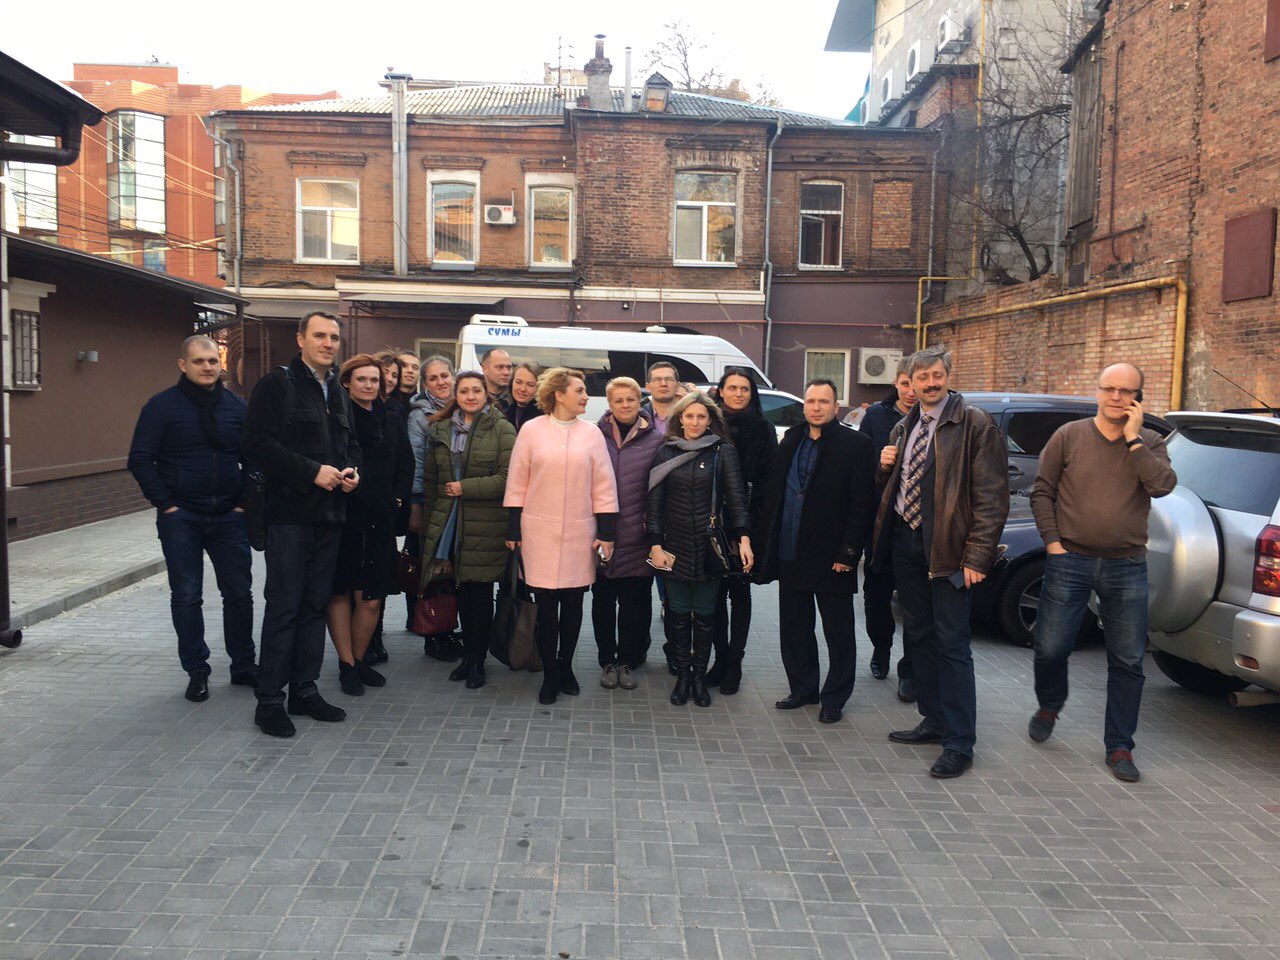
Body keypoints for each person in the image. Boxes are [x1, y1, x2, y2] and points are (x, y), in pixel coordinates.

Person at [1028, 363, 1176, 782]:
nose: (1116, 397)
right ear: (1097, 392)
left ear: (1138, 398)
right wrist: (1053, 544)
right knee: (1050, 647)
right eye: (1109, 388)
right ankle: (1050, 703)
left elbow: (1162, 486)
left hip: (1126, 565)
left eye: (1126, 391)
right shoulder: (1068, 436)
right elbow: (1042, 492)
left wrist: (1133, 439)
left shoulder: (1150, 442)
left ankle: (1119, 746)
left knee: (1128, 660)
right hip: (1070, 560)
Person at [870, 346, 1008, 778]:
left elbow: (992, 496)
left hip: (949, 549)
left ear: (948, 376)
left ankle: (959, 742)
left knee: (952, 645)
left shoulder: (975, 423)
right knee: (920, 635)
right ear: (909, 383)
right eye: (922, 377)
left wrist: (978, 555)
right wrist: (883, 467)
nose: (930, 383)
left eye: (937, 375)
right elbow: (895, 486)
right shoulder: (905, 424)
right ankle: (933, 719)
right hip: (906, 542)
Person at [242, 311, 362, 738]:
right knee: (285, 608)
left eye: (334, 337)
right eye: (320, 336)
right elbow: (256, 445)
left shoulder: (338, 393)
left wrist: (353, 472)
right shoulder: (278, 384)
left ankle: (304, 691)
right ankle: (270, 701)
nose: (328, 343)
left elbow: (351, 446)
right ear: (300, 339)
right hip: (289, 517)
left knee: (314, 607)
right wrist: (312, 472)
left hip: (330, 517)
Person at [127, 334, 255, 703]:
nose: (207, 367)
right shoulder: (161, 407)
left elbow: (255, 458)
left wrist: (244, 502)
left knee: (239, 593)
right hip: (181, 517)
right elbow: (140, 459)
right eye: (199, 361)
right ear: (183, 365)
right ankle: (197, 670)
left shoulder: (237, 407)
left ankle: (244, 665)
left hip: (229, 516)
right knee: (186, 595)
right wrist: (166, 503)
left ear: (220, 364)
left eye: (212, 360)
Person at [752, 379, 877, 724]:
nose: (816, 407)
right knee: (795, 627)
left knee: (838, 631)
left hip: (832, 557)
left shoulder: (857, 445)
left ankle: (834, 697)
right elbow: (775, 493)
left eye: (824, 401)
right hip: (790, 550)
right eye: (811, 401)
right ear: (804, 405)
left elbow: (862, 505)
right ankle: (803, 688)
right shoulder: (791, 439)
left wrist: (849, 553)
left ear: (836, 406)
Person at [504, 367, 619, 705]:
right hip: (538, 531)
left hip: (579, 533)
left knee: (573, 604)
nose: (585, 396)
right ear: (558, 394)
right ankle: (550, 672)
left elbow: (603, 485)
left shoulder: (592, 433)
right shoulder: (531, 430)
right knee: (545, 606)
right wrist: (513, 527)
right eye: (579, 390)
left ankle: (566, 666)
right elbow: (518, 480)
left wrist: (607, 531)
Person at [646, 392, 753, 708]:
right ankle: (682, 677)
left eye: (701, 417)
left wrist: (745, 539)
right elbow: (655, 503)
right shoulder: (665, 452)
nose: (695, 422)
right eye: (689, 416)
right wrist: (655, 544)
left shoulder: (723, 451)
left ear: (710, 420)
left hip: (710, 547)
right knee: (678, 615)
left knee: (705, 616)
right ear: (680, 419)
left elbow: (736, 499)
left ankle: (698, 678)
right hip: (674, 545)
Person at [418, 371, 517, 690]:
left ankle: (477, 661)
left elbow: (509, 479)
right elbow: (432, 482)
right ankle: (468, 657)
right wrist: (431, 526)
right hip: (448, 523)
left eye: (477, 390)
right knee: (460, 592)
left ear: (486, 394)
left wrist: (466, 487)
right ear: (456, 395)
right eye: (464, 391)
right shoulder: (441, 428)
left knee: (480, 595)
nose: (471, 396)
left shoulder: (501, 428)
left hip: (485, 524)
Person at [326, 355, 413, 696]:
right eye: (361, 379)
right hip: (344, 515)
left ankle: (359, 659)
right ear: (347, 382)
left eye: (374, 379)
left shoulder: (391, 416)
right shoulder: (337, 418)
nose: (369, 385)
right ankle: (347, 664)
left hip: (380, 517)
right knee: (341, 591)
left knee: (372, 596)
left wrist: (397, 499)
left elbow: (406, 461)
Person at [707, 367, 777, 695]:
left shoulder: (762, 427)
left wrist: (753, 524)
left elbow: (769, 479)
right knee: (714, 594)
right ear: (721, 390)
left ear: (752, 393)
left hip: (747, 522)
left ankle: (734, 662)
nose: (738, 394)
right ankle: (719, 658)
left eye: (744, 389)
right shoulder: (708, 421)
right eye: (732, 387)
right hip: (709, 519)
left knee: (739, 592)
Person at [593, 377, 664, 691]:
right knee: (603, 602)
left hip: (638, 535)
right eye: (618, 400)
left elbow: (659, 489)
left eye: (630, 400)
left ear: (639, 401)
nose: (625, 405)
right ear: (609, 404)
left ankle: (627, 661)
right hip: (602, 534)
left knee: (635, 604)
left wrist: (651, 529)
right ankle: (607, 661)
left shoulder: (655, 439)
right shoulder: (596, 436)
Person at [859, 360, 918, 700]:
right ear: (896, 383)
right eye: (905, 383)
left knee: (914, 604)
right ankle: (881, 648)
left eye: (916, 383)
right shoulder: (876, 417)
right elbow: (862, 467)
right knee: (876, 596)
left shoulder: (933, 418)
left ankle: (910, 670)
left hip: (917, 527)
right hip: (881, 524)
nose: (911, 391)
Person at [407, 355, 463, 661]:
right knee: (436, 570)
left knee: (455, 570)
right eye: (433, 378)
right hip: (434, 503)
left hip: (461, 503)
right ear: (425, 383)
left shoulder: (464, 407)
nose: (441, 382)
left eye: (445, 375)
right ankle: (435, 635)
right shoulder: (420, 416)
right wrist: (416, 504)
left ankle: (450, 630)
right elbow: (416, 461)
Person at [641, 361, 681, 435]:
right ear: (648, 387)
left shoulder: (688, 415)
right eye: (657, 380)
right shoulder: (638, 416)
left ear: (678, 386)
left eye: (669, 379)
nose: (663, 384)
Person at [506, 360, 543, 433]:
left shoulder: (543, 418)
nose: (523, 389)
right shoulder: (507, 412)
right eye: (518, 382)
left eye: (530, 385)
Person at [480, 348, 514, 414]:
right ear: (485, 369)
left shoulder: (517, 398)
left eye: (509, 367)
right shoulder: (475, 397)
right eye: (500, 367)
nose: (506, 372)